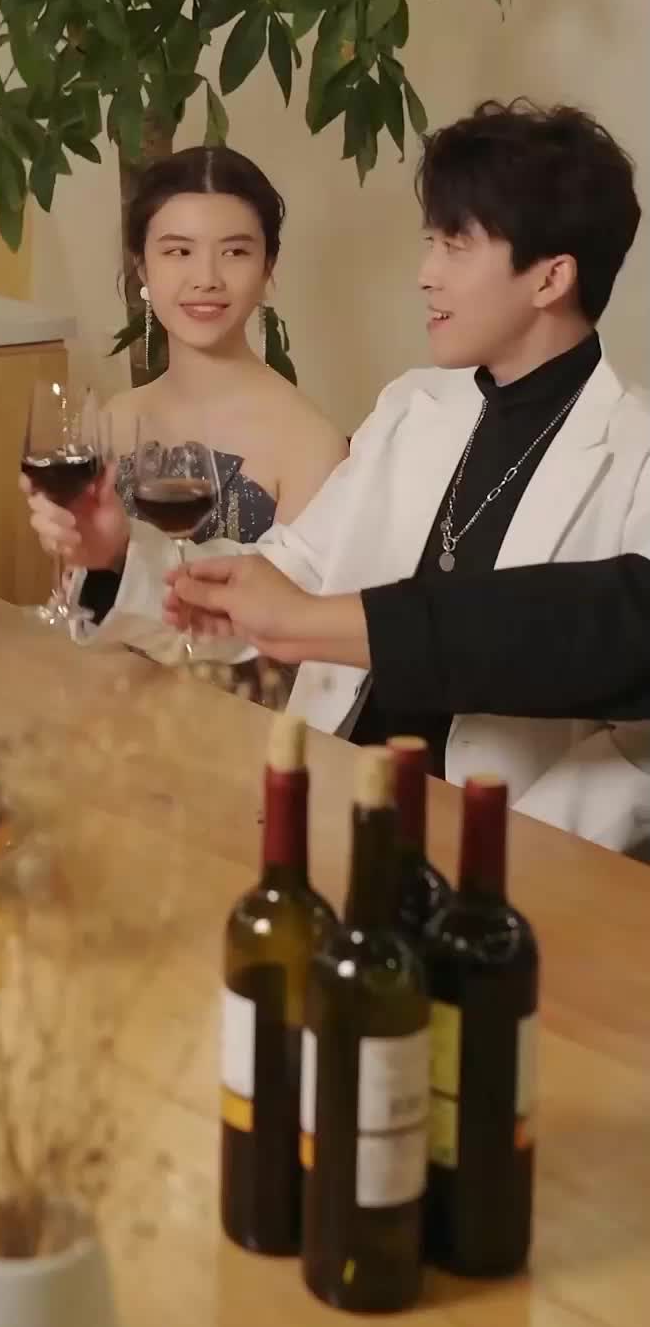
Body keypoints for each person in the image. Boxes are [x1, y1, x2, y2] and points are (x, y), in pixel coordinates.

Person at [113, 102, 649, 852]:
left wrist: (509, 844)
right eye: (430, 243)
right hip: (331, 797)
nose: (426, 276)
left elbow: (634, 739)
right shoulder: (413, 406)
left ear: (551, 276)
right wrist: (120, 559)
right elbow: (290, 571)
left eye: (455, 247)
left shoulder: (637, 453)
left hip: (505, 846)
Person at [23, 145, 347, 699]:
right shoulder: (113, 420)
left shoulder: (311, 444)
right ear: (142, 268)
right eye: (178, 251)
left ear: (268, 269)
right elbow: (81, 616)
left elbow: (303, 651)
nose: (206, 278)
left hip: (246, 725)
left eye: (235, 252)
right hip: (105, 709)